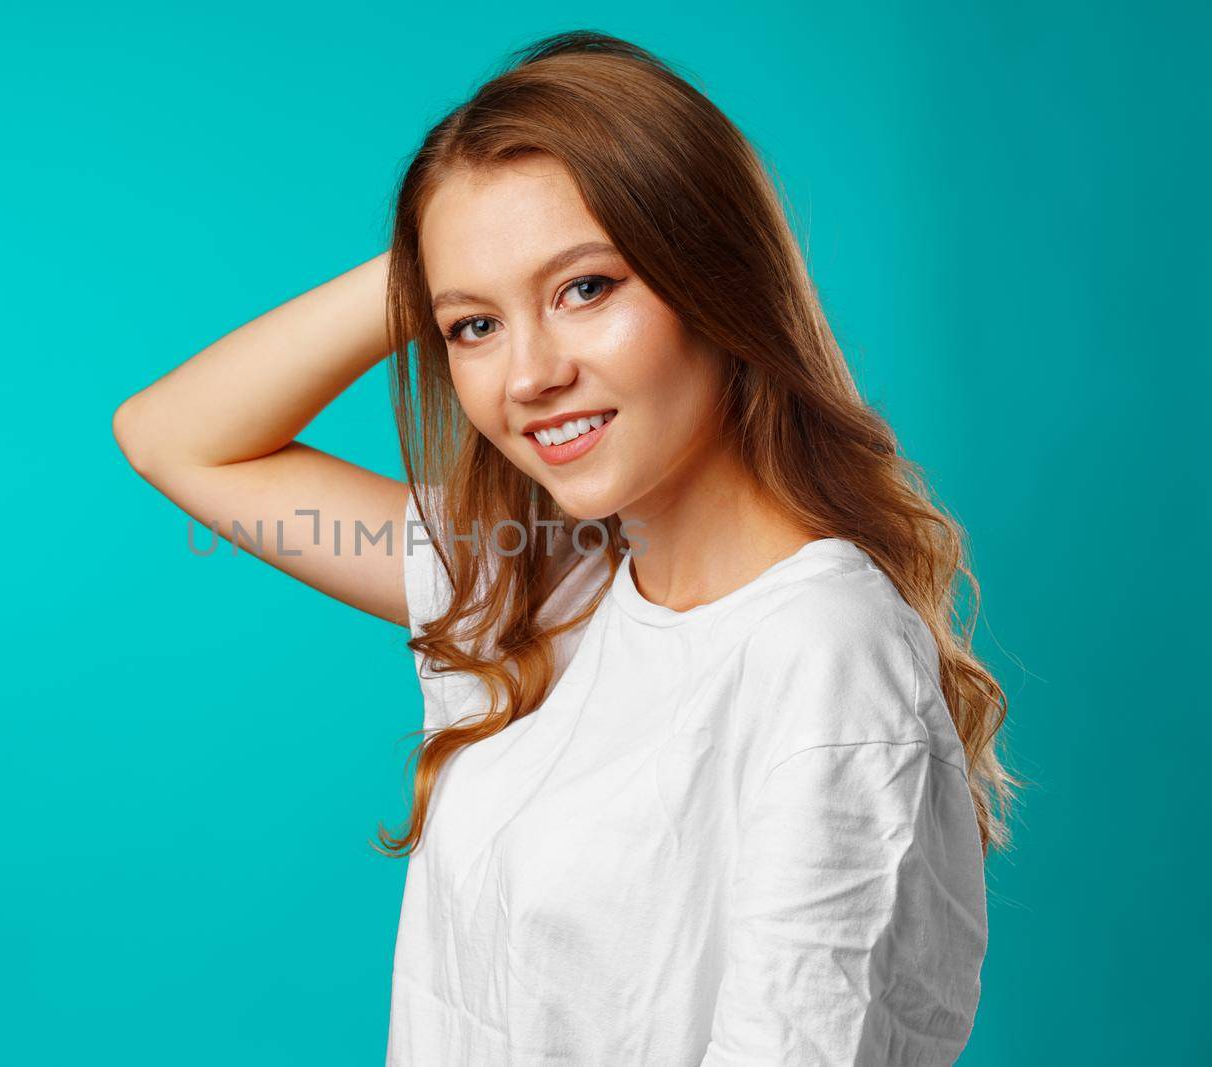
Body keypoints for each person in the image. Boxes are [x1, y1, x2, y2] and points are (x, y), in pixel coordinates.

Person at [112, 29, 1021, 1066]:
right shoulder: (543, 581)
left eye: (586, 287)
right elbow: (174, 438)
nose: (528, 376)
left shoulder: (821, 651)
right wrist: (444, 244)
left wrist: (473, 258)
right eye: (471, 327)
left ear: (714, 275)